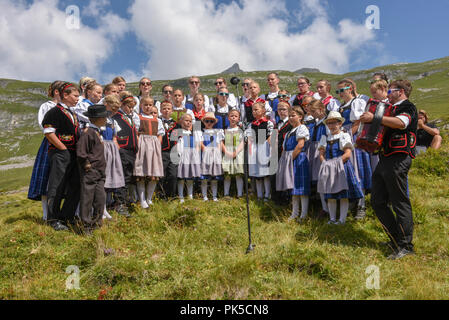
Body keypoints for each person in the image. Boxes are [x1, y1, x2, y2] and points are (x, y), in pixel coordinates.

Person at [360, 79, 418, 260]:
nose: (388, 93)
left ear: (400, 91)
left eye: (391, 90)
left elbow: (401, 123)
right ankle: (395, 239)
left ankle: (406, 245)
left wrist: (375, 118)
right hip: (385, 158)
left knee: (399, 201)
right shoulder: (388, 108)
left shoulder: (408, 106)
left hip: (399, 157)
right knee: (377, 201)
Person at [41, 82, 81, 231]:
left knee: (75, 184)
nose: (78, 98)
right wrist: (63, 149)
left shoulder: (73, 113)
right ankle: (53, 219)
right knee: (57, 185)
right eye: (75, 95)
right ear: (65, 95)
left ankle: (67, 216)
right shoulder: (54, 112)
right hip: (60, 153)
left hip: (73, 154)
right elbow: (49, 133)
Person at [318, 111, 364, 225]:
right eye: (329, 123)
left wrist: (336, 163)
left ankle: (342, 220)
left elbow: (348, 153)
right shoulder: (325, 138)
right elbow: (321, 154)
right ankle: (332, 218)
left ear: (340, 123)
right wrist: (325, 163)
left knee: (343, 195)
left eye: (334, 123)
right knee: (330, 195)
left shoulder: (344, 136)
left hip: (341, 167)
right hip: (329, 167)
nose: (332, 126)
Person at [28, 80, 64, 221]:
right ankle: (45, 214)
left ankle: (58, 211)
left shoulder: (67, 107)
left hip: (66, 142)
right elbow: (43, 125)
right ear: (56, 92)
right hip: (50, 142)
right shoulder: (46, 106)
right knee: (46, 177)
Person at [337, 79, 371, 220]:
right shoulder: (341, 106)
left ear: (350, 88)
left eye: (342, 90)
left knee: (359, 172)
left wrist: (348, 137)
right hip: (344, 137)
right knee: (349, 171)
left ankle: (361, 205)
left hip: (353, 138)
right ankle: (352, 200)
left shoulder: (356, 102)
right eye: (337, 91)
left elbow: (358, 122)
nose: (340, 94)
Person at [77, 104, 108, 235]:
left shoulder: (97, 132)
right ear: (98, 118)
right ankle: (86, 225)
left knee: (100, 198)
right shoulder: (88, 133)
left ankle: (97, 222)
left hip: (100, 171)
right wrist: (86, 164)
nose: (106, 119)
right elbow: (81, 152)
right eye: (104, 117)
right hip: (91, 171)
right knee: (87, 198)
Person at [276, 106, 311, 221]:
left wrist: (291, 159)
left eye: (293, 115)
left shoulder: (302, 128)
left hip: (298, 158)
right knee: (294, 187)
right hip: (289, 158)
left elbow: (300, 145)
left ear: (300, 117)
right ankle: (295, 212)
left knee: (301, 187)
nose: (291, 118)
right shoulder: (290, 131)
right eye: (289, 116)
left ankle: (304, 214)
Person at [112, 91, 139, 217]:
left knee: (128, 177)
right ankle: (119, 203)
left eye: (132, 107)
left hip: (131, 151)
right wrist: (119, 150)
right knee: (122, 177)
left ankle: (124, 200)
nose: (131, 109)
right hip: (123, 150)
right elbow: (115, 135)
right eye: (129, 106)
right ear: (122, 105)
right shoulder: (116, 117)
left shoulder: (132, 117)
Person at [134, 98, 165, 209]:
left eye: (150, 105)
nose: (148, 107)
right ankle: (142, 200)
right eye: (145, 104)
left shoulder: (157, 120)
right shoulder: (137, 117)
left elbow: (160, 134)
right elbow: (136, 133)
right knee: (141, 173)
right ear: (141, 105)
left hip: (154, 145)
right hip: (142, 145)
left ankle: (149, 198)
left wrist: (157, 144)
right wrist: (139, 144)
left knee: (154, 173)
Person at [102, 95, 125, 219]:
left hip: (111, 149)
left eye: (116, 110)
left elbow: (115, 136)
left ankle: (105, 206)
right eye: (113, 109)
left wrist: (116, 148)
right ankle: (101, 208)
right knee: (103, 179)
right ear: (106, 104)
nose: (115, 112)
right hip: (103, 148)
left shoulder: (112, 120)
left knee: (110, 178)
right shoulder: (100, 119)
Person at [246, 102, 274, 201]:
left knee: (265, 173)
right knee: (257, 174)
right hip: (254, 148)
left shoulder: (268, 123)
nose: (254, 111)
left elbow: (270, 136)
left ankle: (267, 194)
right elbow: (249, 137)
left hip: (264, 147)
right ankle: (259, 195)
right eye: (253, 110)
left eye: (256, 109)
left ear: (263, 111)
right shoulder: (251, 124)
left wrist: (270, 150)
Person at [307, 100, 329, 217]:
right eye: (311, 112)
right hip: (313, 150)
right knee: (319, 180)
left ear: (321, 109)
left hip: (321, 150)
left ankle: (328, 208)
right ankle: (323, 207)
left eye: (314, 111)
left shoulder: (326, 123)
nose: (312, 114)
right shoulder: (315, 123)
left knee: (324, 179)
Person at [177, 114, 202, 203]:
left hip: (192, 156)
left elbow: (197, 145)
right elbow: (177, 145)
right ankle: (181, 196)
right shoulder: (179, 132)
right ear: (181, 121)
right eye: (186, 121)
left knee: (190, 176)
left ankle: (190, 195)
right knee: (182, 176)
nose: (188, 123)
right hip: (183, 156)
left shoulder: (194, 133)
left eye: (190, 121)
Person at [200, 113, 225, 202]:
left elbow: (219, 143)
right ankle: (204, 196)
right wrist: (205, 149)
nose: (209, 123)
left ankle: (214, 196)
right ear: (204, 122)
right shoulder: (202, 132)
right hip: (206, 155)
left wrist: (218, 153)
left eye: (211, 121)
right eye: (207, 121)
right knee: (205, 178)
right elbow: (200, 143)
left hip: (215, 155)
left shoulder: (217, 132)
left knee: (214, 178)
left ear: (214, 122)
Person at [222, 109, 245, 198]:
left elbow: (243, 142)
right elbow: (221, 142)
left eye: (235, 116)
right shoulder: (225, 130)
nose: (233, 118)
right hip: (227, 153)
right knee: (227, 175)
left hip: (238, 154)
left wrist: (236, 152)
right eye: (231, 116)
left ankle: (239, 194)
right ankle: (226, 194)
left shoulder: (240, 130)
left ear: (238, 118)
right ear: (228, 118)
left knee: (238, 174)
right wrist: (226, 152)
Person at [159, 100, 180, 199]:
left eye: (168, 109)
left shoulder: (176, 124)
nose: (166, 111)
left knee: (173, 174)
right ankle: (161, 195)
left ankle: (171, 195)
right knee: (162, 174)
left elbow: (177, 139)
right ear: (160, 110)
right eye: (164, 108)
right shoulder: (158, 121)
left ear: (172, 111)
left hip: (173, 152)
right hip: (162, 152)